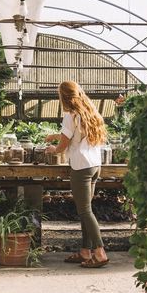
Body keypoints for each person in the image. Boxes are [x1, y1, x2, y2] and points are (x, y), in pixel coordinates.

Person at [45, 80, 109, 268]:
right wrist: (56, 136)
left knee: (84, 211)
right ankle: (85, 251)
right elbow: (75, 136)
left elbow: (64, 146)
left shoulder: (70, 115)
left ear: (63, 97)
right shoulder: (90, 113)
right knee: (86, 210)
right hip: (94, 165)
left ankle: (100, 252)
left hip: (81, 167)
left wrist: (52, 149)